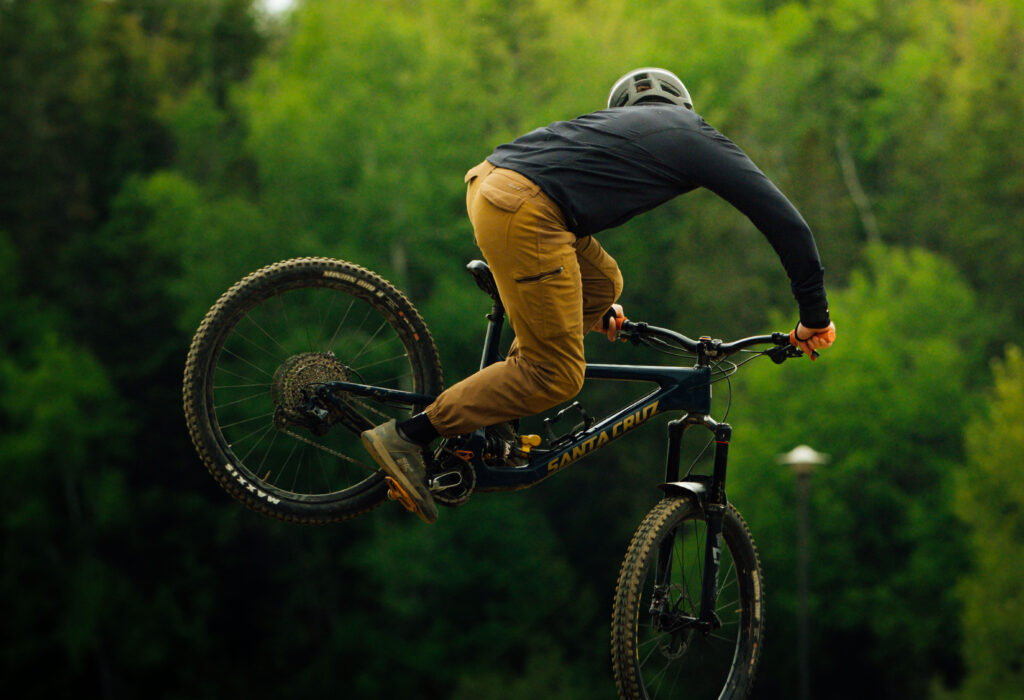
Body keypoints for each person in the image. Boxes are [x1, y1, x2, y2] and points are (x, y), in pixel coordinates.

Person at [362, 67, 837, 523]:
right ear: (683, 106)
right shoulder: (693, 133)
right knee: (556, 376)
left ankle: (498, 410)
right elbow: (784, 221)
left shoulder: (611, 127)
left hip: (490, 183)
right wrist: (814, 316)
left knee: (605, 283)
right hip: (530, 210)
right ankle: (409, 435)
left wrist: (587, 305)